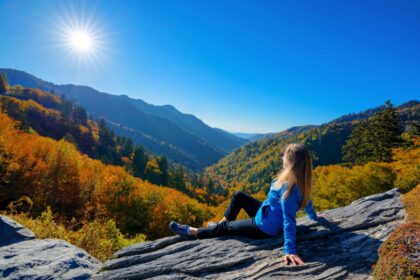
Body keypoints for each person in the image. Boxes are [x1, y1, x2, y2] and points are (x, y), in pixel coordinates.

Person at [169, 143, 319, 266]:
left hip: (265, 227)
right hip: (267, 213)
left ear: (291, 163)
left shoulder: (289, 190)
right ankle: (219, 224)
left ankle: (192, 232)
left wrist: (290, 250)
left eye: (285, 158)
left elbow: (289, 221)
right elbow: (307, 201)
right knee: (238, 196)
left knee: (227, 228)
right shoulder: (301, 182)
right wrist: (314, 217)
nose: (282, 160)